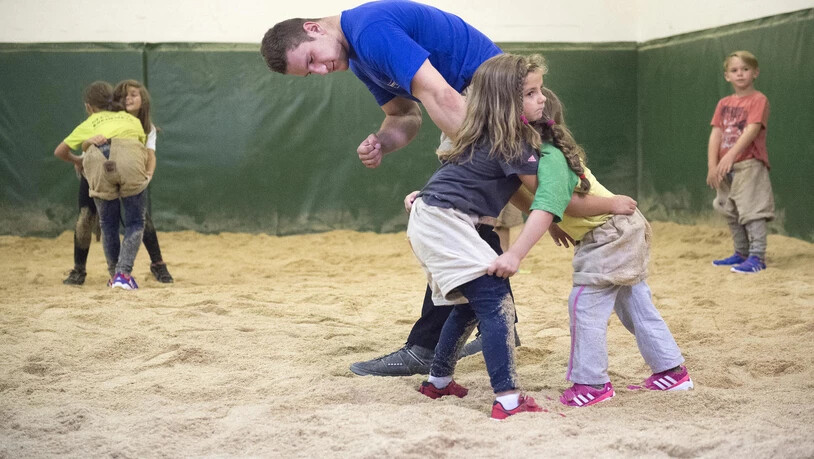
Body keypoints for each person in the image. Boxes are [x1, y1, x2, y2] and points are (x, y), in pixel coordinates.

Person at [261, 1, 626, 376]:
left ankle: (427, 346)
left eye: (311, 60)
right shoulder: (357, 55)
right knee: (469, 222)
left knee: (450, 218)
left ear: (313, 28)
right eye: (310, 73)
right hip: (477, 106)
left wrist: (491, 158)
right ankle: (494, 328)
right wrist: (383, 142)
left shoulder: (369, 30)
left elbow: (441, 96)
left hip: (488, 103)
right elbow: (403, 114)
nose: (321, 71)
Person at [490, 87, 692, 408]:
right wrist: (554, 222)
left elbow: (571, 202)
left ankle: (591, 383)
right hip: (618, 232)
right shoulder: (530, 159)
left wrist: (609, 203)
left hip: (607, 233)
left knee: (584, 306)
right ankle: (671, 372)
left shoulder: (548, 157)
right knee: (635, 304)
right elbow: (523, 193)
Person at [409, 53, 547, 419]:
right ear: (506, 101)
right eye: (531, 93)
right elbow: (546, 194)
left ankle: (438, 382)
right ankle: (508, 398)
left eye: (540, 90)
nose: (542, 98)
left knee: (470, 303)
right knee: (495, 300)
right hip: (443, 220)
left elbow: (468, 179)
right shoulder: (513, 141)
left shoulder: (487, 133)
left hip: (433, 215)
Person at [61, 80, 174, 286]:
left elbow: (150, 154)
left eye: (133, 95)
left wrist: (148, 175)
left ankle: (157, 264)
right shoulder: (103, 118)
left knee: (139, 218)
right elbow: (83, 143)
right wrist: (87, 145)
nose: (127, 99)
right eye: (122, 95)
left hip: (128, 168)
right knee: (87, 217)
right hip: (96, 170)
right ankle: (80, 269)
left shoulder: (145, 127)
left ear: (144, 101)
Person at [706, 51, 774, 274]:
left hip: (749, 164)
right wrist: (712, 165)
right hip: (725, 168)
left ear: (755, 72)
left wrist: (730, 155)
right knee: (729, 209)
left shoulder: (759, 100)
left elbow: (752, 130)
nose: (740, 74)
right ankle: (741, 252)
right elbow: (716, 133)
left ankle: (757, 256)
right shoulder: (724, 103)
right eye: (734, 70)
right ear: (727, 76)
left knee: (752, 210)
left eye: (745, 69)